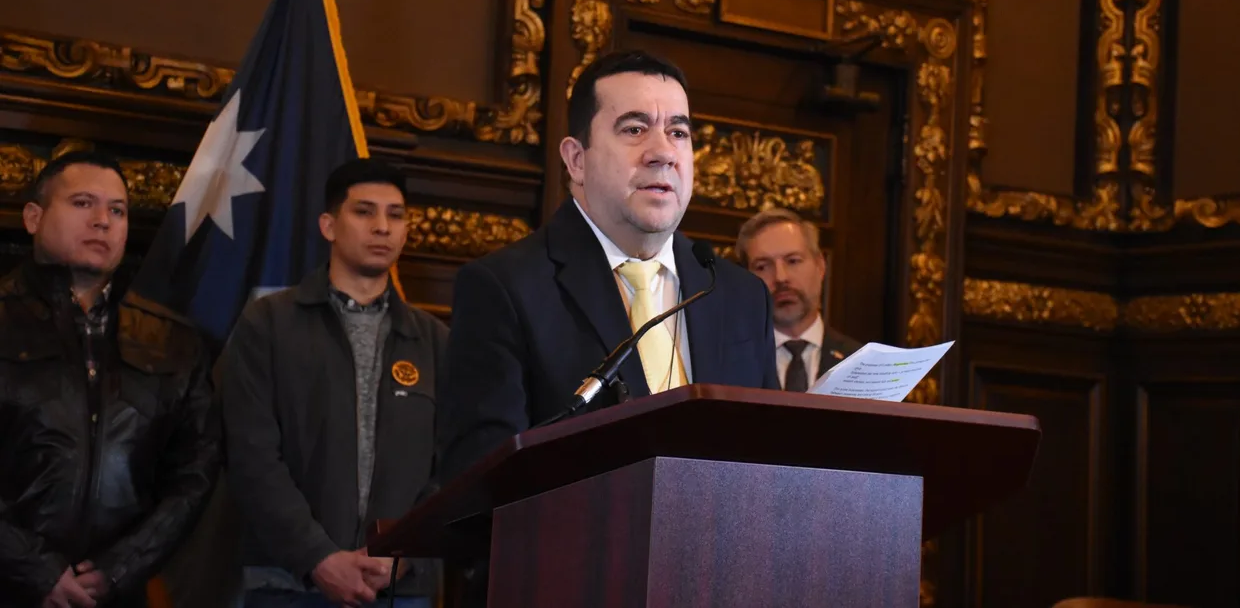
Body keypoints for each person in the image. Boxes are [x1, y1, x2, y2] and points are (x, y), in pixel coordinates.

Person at [439, 49, 779, 481]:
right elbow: (480, 483)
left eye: (678, 132)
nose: (663, 153)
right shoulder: (505, 288)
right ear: (576, 160)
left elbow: (770, 463)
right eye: (635, 129)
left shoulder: (741, 296)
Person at [221, 158, 446, 608]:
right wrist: (318, 556)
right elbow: (250, 455)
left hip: (400, 585)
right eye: (364, 211)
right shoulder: (269, 324)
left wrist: (402, 553)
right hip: (287, 582)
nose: (382, 227)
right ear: (329, 225)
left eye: (395, 215)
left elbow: (449, 467)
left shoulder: (435, 341)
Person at [0, 151, 220, 608]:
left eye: (117, 210)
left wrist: (122, 566)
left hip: (117, 592)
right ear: (33, 217)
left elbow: (194, 473)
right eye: (83, 203)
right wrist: (35, 569)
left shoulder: (174, 340)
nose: (103, 220)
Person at [735, 208, 862, 392]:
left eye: (793, 261)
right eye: (763, 266)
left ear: (820, 266)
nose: (780, 277)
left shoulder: (862, 364)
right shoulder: (725, 364)